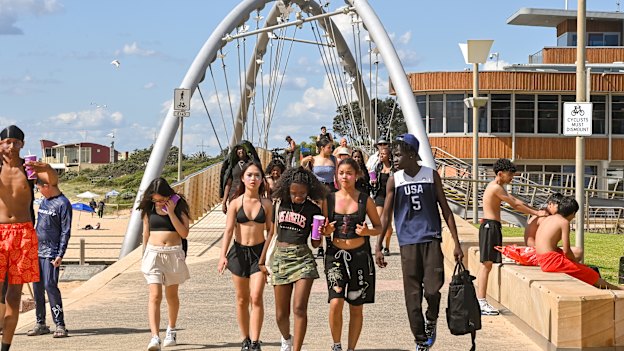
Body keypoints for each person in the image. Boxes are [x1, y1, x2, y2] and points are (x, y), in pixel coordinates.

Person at [375, 134, 463, 350]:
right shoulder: (395, 179)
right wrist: (377, 246)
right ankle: (420, 338)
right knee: (412, 295)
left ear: (412, 154)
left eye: (398, 154)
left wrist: (457, 243)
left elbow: (446, 210)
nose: (394, 159)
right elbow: (386, 214)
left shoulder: (431, 175)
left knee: (433, 290)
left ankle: (431, 319)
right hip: (407, 242)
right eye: (393, 155)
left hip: (430, 238)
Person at [0, 125, 59, 351]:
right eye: (7, 142)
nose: (11, 146)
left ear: (23, 144)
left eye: (16, 142)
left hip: (24, 233)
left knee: (14, 296)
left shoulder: (29, 169)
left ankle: (6, 346)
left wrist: (48, 167)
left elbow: (52, 183)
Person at [321, 158, 382, 351]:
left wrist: (367, 232)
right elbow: (321, 230)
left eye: (349, 173)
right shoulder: (329, 200)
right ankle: (336, 345)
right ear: (336, 176)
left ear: (356, 175)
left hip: (360, 257)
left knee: (356, 306)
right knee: (336, 302)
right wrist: (325, 232)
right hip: (335, 257)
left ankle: (351, 348)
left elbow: (379, 227)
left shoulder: (365, 199)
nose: (345, 177)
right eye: (341, 173)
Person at [268, 166, 327, 351]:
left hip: (303, 258)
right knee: (280, 314)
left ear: (309, 190)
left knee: (299, 308)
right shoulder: (280, 204)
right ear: (287, 189)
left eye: (302, 193)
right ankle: (286, 338)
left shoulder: (313, 209)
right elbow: (271, 233)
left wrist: (321, 233)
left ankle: (297, 349)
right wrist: (262, 261)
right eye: (294, 193)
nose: (298, 197)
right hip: (280, 258)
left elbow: (316, 244)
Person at [477, 158, 546, 316]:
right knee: (486, 264)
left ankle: (481, 301)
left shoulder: (497, 186)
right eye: (509, 175)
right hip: (490, 227)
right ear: (500, 174)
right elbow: (514, 203)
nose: (511, 178)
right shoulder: (496, 187)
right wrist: (536, 213)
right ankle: (481, 302)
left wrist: (535, 209)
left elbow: (517, 201)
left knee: (487, 264)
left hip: (492, 227)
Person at [218, 161, 273, 351]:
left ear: (261, 180)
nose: (253, 179)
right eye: (249, 175)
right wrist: (222, 256)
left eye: (257, 175)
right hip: (238, 253)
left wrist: (267, 258)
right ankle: (245, 339)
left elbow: (270, 232)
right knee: (242, 299)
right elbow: (228, 230)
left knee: (256, 297)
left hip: (259, 254)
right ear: (242, 178)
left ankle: (256, 342)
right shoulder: (235, 203)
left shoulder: (266, 204)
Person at [137, 177, 191, 350]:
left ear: (169, 196)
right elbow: (146, 233)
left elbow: (184, 233)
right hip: (153, 254)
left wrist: (171, 212)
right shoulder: (148, 209)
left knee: (171, 295)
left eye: (162, 199)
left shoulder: (179, 206)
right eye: (156, 200)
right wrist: (143, 254)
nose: (159, 203)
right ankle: (154, 337)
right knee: (154, 295)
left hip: (173, 253)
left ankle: (171, 329)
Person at [535, 196, 619, 289]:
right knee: (590, 273)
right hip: (551, 262)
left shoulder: (548, 218)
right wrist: (575, 263)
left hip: (541, 259)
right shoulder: (563, 222)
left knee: (582, 268)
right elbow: (567, 251)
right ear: (573, 213)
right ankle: (616, 288)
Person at [27, 179, 72, 338]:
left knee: (50, 285)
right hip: (37, 251)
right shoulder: (45, 202)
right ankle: (41, 323)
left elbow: (65, 231)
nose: (40, 192)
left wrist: (60, 253)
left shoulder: (63, 203)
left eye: (40, 189)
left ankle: (60, 324)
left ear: (47, 186)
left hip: (52, 253)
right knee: (37, 288)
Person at [301, 138, 337, 259]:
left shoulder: (333, 159)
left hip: (331, 188)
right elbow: (304, 170)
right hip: (318, 189)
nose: (331, 149)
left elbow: (336, 176)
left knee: (329, 217)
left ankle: (329, 241)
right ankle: (320, 245)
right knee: (319, 217)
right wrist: (304, 161)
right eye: (329, 147)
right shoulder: (314, 159)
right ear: (322, 148)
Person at [524, 193, 583, 262]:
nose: (560, 210)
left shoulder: (546, 215)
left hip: (538, 250)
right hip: (535, 251)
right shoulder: (544, 217)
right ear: (550, 204)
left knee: (575, 251)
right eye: (558, 207)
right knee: (577, 252)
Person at [221, 141, 261, 214]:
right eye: (239, 149)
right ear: (236, 151)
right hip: (234, 195)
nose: (241, 151)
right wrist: (224, 202)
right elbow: (228, 184)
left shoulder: (251, 164)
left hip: (248, 195)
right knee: (235, 218)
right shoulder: (233, 165)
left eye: (243, 149)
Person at [371, 147, 394, 256]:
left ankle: (387, 246)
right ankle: (378, 244)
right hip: (380, 195)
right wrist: (373, 181)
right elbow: (372, 177)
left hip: (391, 196)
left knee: (388, 222)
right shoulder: (377, 167)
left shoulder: (394, 168)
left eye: (384, 154)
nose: (381, 156)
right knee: (379, 219)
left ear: (389, 156)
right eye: (380, 154)